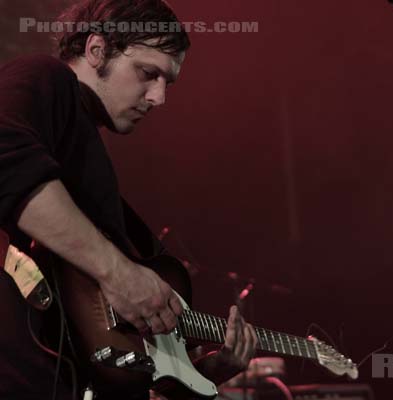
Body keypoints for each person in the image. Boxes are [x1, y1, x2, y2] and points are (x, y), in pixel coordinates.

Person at [0, 1, 257, 399]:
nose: (158, 98)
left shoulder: (86, 163)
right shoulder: (45, 76)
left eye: (166, 83)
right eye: (147, 74)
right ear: (96, 50)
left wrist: (200, 373)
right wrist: (118, 272)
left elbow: (112, 363)